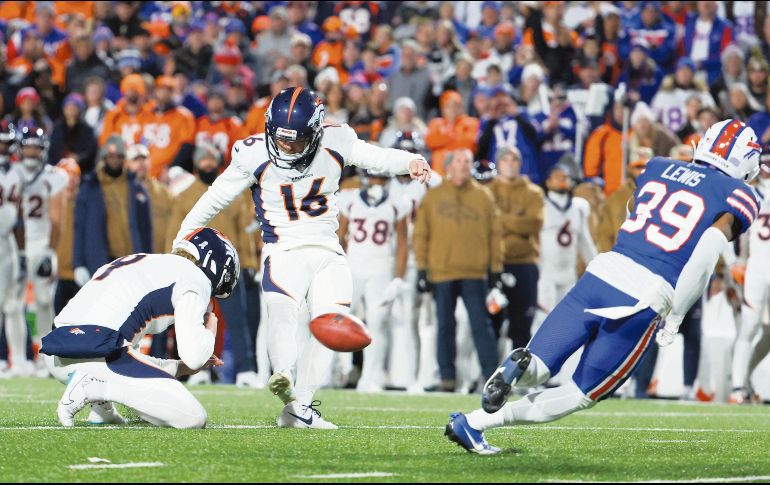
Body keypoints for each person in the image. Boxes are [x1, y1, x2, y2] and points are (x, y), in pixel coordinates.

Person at [446, 119, 763, 454]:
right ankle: (482, 422)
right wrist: (676, 316)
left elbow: (632, 214)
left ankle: (488, 401)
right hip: (644, 294)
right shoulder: (738, 194)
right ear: (745, 161)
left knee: (537, 365)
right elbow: (706, 252)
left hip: (603, 271)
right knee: (581, 393)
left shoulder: (659, 167)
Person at [174, 87, 430, 429]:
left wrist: (408, 160)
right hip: (283, 249)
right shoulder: (252, 153)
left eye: (296, 140)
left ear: (316, 130)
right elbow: (216, 197)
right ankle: (283, 379)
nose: (286, 146)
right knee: (282, 315)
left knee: (330, 324)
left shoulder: (337, 140)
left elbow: (374, 156)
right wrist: (183, 234)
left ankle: (301, 406)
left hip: (328, 249)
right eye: (281, 139)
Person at [42, 228, 239, 429]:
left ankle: (101, 407)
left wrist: (180, 367)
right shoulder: (196, 279)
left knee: (127, 353)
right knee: (193, 417)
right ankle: (95, 386)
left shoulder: (145, 261)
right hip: (94, 352)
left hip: (56, 352)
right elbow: (195, 356)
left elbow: (128, 352)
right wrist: (210, 331)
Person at [413, 148, 501, 392]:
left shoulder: (484, 196)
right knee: (445, 326)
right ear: (449, 166)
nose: (463, 166)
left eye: (467, 162)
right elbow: (421, 235)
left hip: (474, 272)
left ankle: (492, 377)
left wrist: (496, 269)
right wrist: (422, 269)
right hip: (442, 271)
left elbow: (495, 235)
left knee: (480, 326)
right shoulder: (433, 196)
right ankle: (447, 377)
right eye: (459, 161)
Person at [338, 169, 409, 393]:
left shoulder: (397, 203)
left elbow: (403, 244)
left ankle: (370, 377)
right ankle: (332, 372)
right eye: (374, 177)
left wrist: (398, 277)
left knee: (377, 324)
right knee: (335, 317)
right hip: (353, 265)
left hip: (380, 267)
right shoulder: (349, 199)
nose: (377, 182)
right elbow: (340, 237)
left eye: (381, 178)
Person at [11, 127, 68, 374]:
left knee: (44, 302)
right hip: (15, 246)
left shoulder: (54, 176)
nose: (31, 151)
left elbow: (56, 219)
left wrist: (51, 251)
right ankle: (19, 361)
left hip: (41, 243)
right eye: (28, 146)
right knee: (13, 304)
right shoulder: (12, 174)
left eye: (35, 146)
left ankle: (47, 359)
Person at [486, 146, 544, 350]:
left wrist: (500, 220)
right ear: (498, 163)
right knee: (492, 322)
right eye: (505, 159)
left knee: (522, 324)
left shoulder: (534, 192)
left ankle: (518, 376)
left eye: (514, 160)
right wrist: (515, 223)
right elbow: (485, 225)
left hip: (524, 263)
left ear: (520, 163)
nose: (510, 163)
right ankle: (490, 374)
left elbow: (533, 223)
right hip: (495, 264)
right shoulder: (487, 191)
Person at [731, 168, 770, 403]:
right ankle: (738, 386)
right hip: (756, 268)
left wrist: (740, 261)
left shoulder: (753, 193)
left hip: (755, 267)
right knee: (749, 328)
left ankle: (743, 381)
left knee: (755, 329)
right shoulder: (754, 194)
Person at [0, 122, 27, 377]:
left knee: (12, 304)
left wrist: (21, 253)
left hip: (7, 241)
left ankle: (17, 358)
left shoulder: (18, 173)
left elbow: (20, 216)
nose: (2, 148)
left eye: (5, 143)